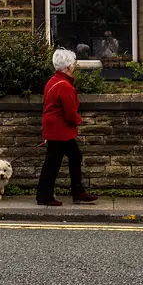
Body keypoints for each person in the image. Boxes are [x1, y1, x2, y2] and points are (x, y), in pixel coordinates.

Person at [37, 49, 99, 207]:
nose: (74, 66)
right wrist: (79, 120)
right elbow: (70, 113)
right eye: (73, 64)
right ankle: (47, 195)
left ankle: (76, 192)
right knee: (54, 161)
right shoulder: (65, 86)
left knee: (72, 157)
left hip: (54, 127)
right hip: (60, 129)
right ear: (68, 67)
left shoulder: (53, 81)